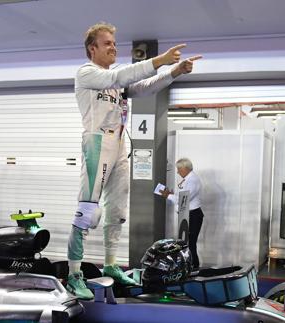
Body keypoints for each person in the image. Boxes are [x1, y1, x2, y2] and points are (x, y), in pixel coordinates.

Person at [66, 22, 202, 299]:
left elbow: (144, 88)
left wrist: (174, 71)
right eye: (107, 44)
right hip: (97, 143)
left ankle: (111, 264)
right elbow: (120, 77)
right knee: (87, 212)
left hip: (119, 143)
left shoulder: (117, 82)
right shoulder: (88, 73)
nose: (113, 48)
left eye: (115, 44)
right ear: (92, 49)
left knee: (117, 210)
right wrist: (159, 60)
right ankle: (74, 274)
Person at [160, 158, 204, 269]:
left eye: (179, 169)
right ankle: (189, 265)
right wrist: (171, 194)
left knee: (190, 243)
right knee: (186, 242)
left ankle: (194, 266)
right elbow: (182, 196)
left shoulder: (192, 180)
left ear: (185, 168)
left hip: (193, 215)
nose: (177, 172)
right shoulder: (187, 179)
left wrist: (168, 196)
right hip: (187, 214)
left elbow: (184, 200)